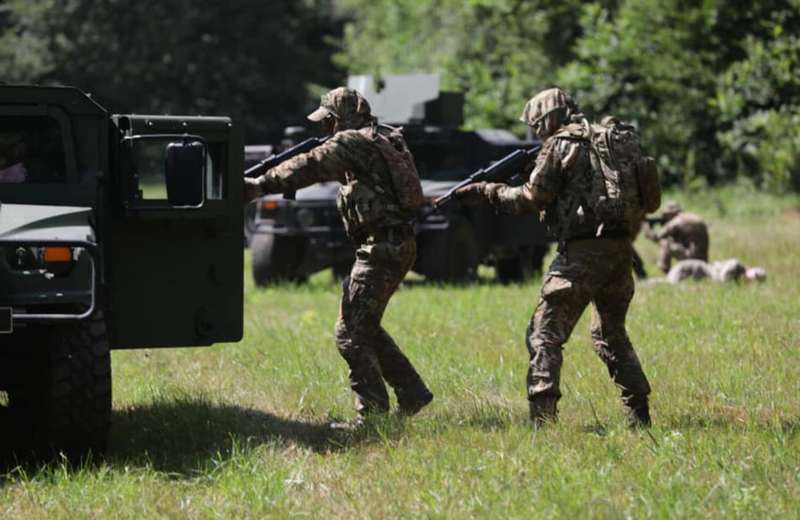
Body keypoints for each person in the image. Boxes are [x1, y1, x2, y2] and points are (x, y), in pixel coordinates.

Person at [456, 88, 654, 427]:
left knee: (543, 332)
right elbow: (649, 197)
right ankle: (638, 412)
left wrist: (488, 192)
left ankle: (542, 421)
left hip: (581, 252)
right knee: (610, 334)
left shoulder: (560, 145)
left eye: (536, 125)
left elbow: (532, 199)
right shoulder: (614, 138)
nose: (536, 132)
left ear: (549, 118)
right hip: (621, 250)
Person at [244, 87, 433, 425]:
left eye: (328, 122)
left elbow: (311, 165)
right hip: (397, 243)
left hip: (381, 248)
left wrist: (260, 184)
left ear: (339, 119)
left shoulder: (352, 143)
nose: (325, 129)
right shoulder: (385, 137)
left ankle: (372, 416)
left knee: (349, 333)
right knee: (366, 325)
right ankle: (412, 392)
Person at [647, 201, 709, 273]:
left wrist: (647, 229)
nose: (664, 217)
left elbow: (657, 237)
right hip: (703, 260)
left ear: (671, 213)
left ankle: (666, 272)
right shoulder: (692, 217)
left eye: (665, 215)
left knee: (665, 244)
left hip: (692, 258)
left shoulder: (676, 221)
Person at [662, 258, 766, 284]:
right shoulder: (736, 265)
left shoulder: (738, 275)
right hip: (692, 268)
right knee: (668, 283)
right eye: (754, 275)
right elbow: (722, 277)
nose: (752, 279)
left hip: (697, 272)